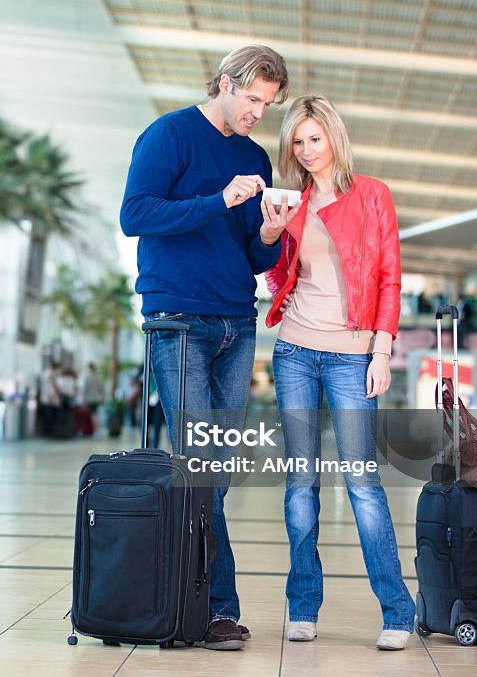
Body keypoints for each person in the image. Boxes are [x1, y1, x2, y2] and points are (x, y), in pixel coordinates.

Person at [120, 44, 291, 651]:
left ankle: (182, 595)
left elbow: (255, 255)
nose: (257, 114)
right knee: (197, 467)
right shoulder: (169, 135)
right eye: (251, 99)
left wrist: (268, 229)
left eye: (267, 105)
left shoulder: (254, 156)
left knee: (215, 472)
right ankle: (215, 607)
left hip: (236, 325)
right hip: (178, 320)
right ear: (225, 83)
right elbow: (135, 214)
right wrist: (219, 200)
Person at [264, 95, 415, 651]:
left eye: (314, 139)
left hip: (354, 355)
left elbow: (389, 276)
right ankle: (303, 606)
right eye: (296, 142)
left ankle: (398, 611)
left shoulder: (372, 196)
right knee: (301, 485)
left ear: (334, 137)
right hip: (295, 351)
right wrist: (269, 235)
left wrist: (381, 351)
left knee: (363, 485)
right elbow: (276, 277)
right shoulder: (289, 201)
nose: (305, 151)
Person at [79, 363, 104, 434]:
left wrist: (82, 400)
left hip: (89, 399)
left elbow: (84, 389)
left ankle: (95, 431)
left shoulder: (87, 377)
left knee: (92, 415)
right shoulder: (99, 377)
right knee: (96, 414)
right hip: (98, 398)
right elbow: (102, 389)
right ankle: (96, 431)